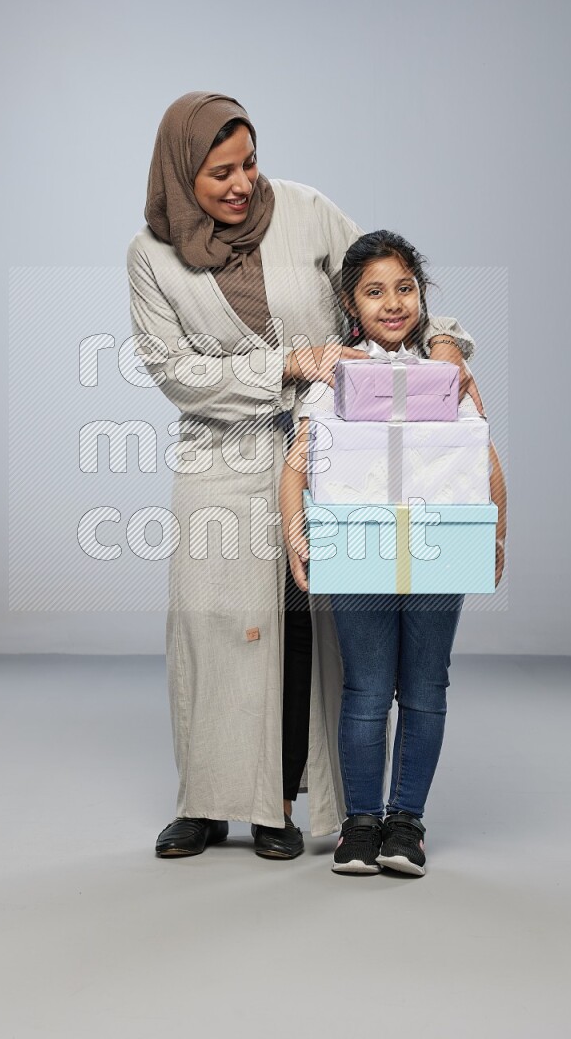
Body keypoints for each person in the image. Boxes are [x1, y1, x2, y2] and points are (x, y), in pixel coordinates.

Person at [127, 93, 478, 859]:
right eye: (220, 172)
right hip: (220, 456)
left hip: (333, 451)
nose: (242, 183)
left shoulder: (307, 211)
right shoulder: (150, 257)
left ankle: (280, 805)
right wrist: (285, 363)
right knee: (212, 630)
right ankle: (204, 802)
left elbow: (386, 282)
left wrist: (448, 341)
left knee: (303, 630)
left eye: (250, 162)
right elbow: (173, 369)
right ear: (182, 173)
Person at [280, 229, 507, 875]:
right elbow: (298, 465)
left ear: (422, 296)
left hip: (437, 545)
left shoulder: (447, 374)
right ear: (352, 304)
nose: (391, 302)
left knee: (426, 687)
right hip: (360, 549)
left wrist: (496, 526)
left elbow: (480, 455)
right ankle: (361, 825)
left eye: (404, 288)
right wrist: (296, 531)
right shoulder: (336, 376)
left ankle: (406, 824)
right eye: (374, 291)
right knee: (366, 689)